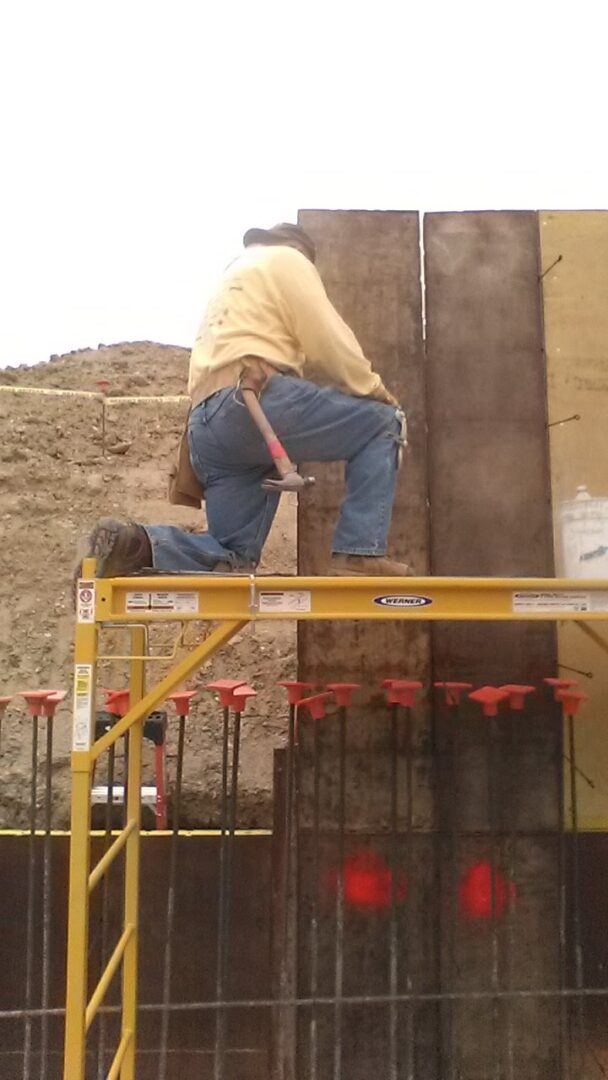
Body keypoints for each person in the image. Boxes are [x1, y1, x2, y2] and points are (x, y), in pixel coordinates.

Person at [80, 222, 412, 578]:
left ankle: (135, 544)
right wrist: (374, 390)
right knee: (383, 424)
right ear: (300, 251)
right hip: (251, 403)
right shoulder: (288, 260)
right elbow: (328, 339)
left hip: (208, 426)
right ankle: (358, 552)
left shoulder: (237, 275)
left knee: (233, 555)